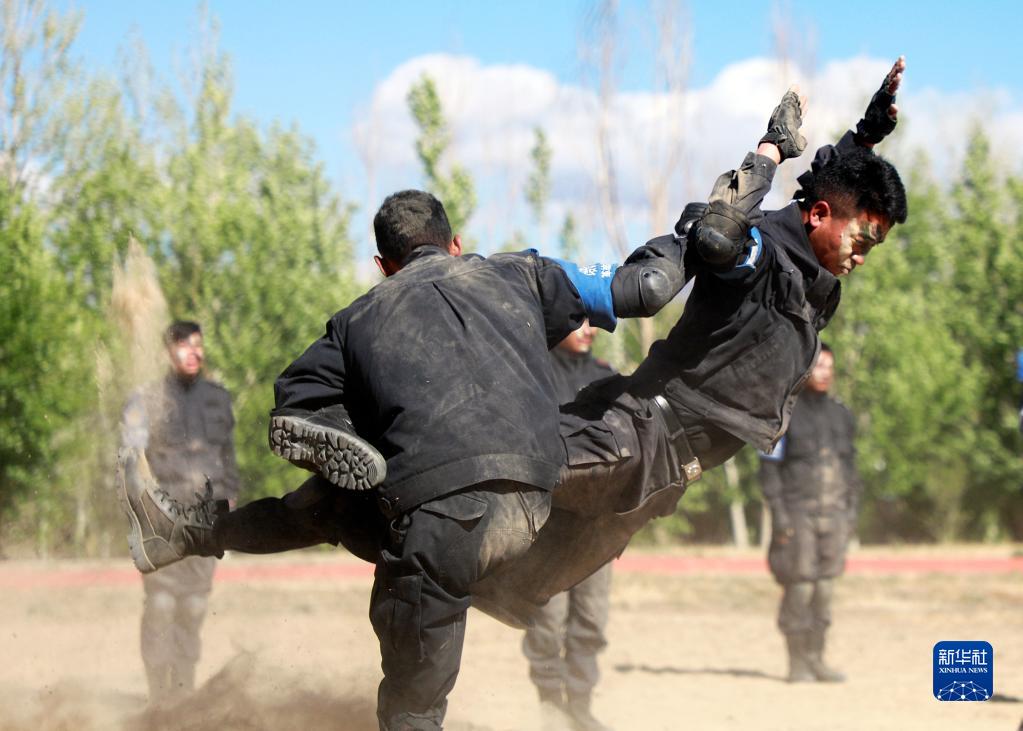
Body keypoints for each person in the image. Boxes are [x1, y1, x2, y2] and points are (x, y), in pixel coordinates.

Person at [119, 61, 906, 729]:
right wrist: (766, 151)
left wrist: (861, 139)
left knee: (468, 556)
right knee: (480, 473)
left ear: (383, 264)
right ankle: (329, 501)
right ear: (455, 244)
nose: (864, 251)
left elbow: (295, 392)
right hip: (635, 436)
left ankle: (210, 526)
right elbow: (704, 245)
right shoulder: (758, 250)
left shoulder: (812, 261)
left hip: (640, 473)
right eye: (862, 235)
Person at [120, 320, 240, 702]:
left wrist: (229, 501)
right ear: (168, 352)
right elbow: (132, 457)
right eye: (185, 345)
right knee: (161, 604)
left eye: (198, 345)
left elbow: (228, 457)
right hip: (163, 520)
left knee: (194, 605)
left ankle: (184, 694)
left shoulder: (218, 398)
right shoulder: (147, 399)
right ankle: (158, 697)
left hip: (206, 519)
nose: (194, 352)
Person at [521, 321, 616, 731]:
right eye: (580, 321)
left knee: (591, 620)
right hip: (550, 524)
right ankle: (550, 707)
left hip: (598, 526)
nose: (589, 330)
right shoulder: (533, 373)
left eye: (595, 323)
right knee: (547, 621)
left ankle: (580, 707)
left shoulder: (609, 379)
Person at [758, 344, 861, 683]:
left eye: (829, 366)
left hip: (835, 515)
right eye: (819, 366)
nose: (825, 372)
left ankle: (818, 659)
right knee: (800, 588)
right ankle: (797, 662)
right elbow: (769, 470)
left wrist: (852, 511)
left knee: (825, 589)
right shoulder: (783, 415)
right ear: (805, 369)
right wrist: (779, 515)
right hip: (797, 514)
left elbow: (851, 468)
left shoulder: (842, 414)